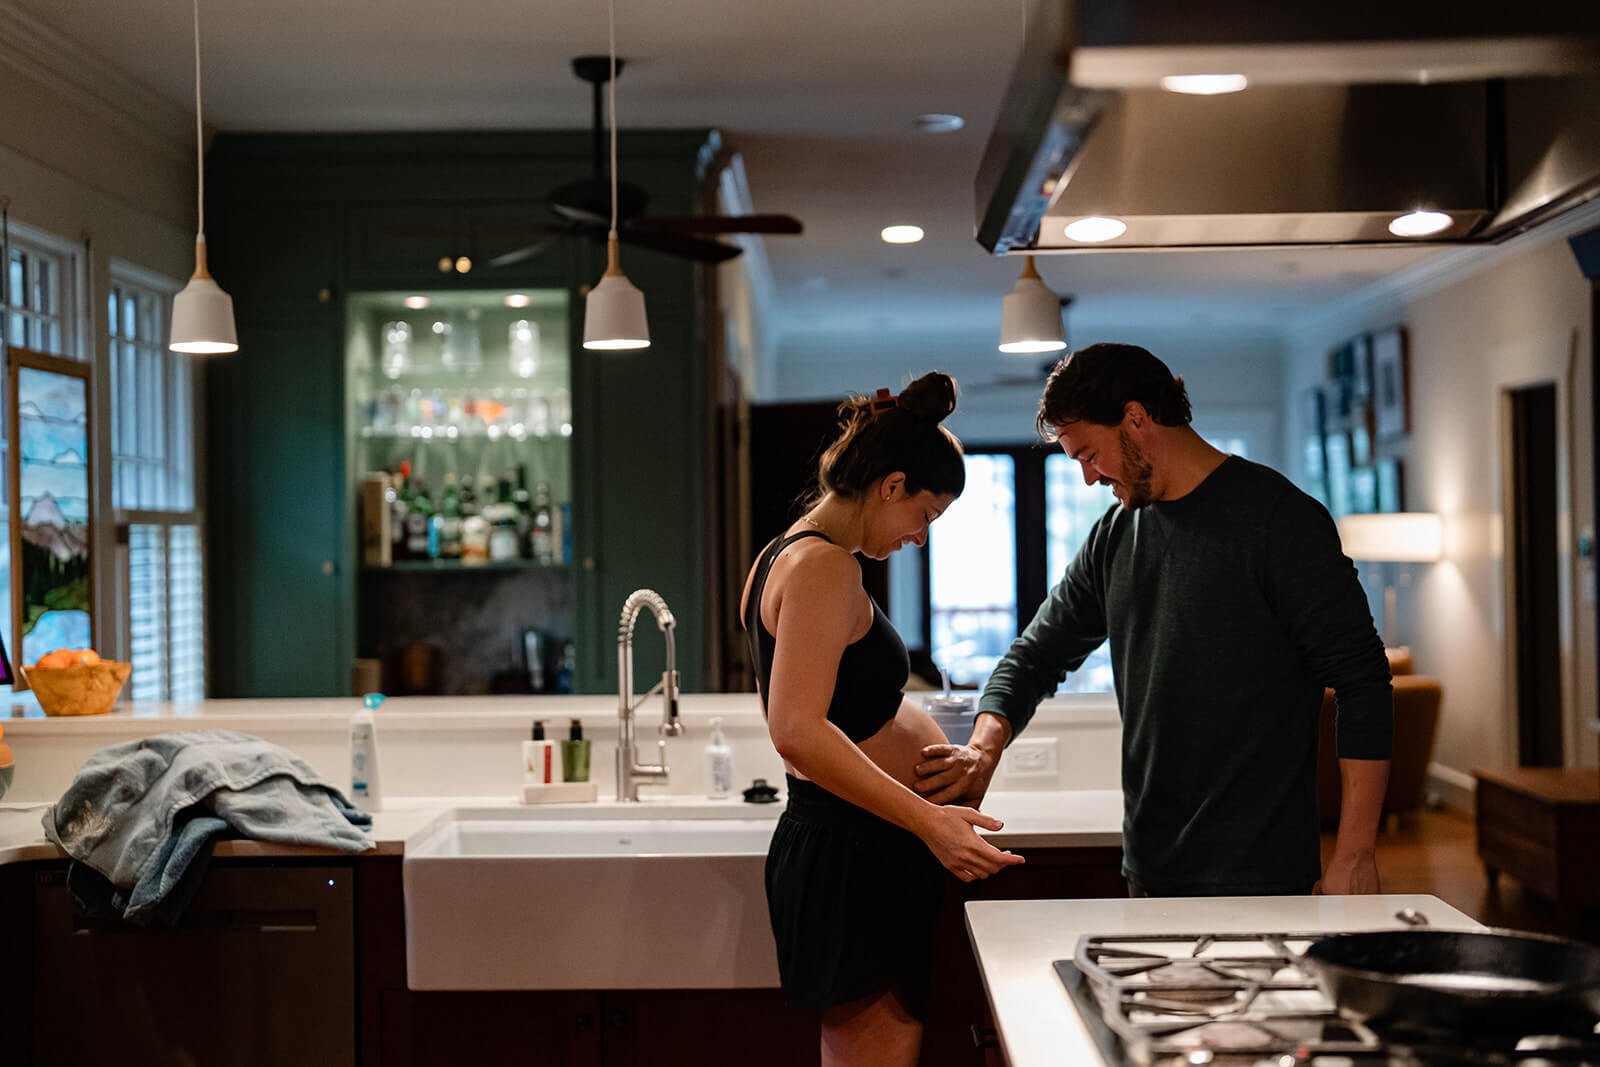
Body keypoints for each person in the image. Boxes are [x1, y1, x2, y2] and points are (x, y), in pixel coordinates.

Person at [913, 343, 1392, 898]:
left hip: (1260, 868)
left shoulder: (1279, 520)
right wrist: (983, 747)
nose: (1089, 478)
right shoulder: (1115, 535)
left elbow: (1364, 682)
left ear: (1136, 420)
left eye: (1089, 454)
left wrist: (1357, 852)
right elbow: (1034, 657)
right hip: (1149, 863)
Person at [741, 371, 1025, 1067]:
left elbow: (844, 710)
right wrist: (930, 819)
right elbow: (796, 730)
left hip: (863, 846)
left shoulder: (785, 554)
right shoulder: (822, 567)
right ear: (892, 485)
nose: (920, 537)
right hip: (853, 852)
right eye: (926, 515)